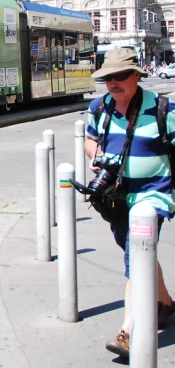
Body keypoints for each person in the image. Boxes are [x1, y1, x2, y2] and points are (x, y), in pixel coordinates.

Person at [85, 48, 175, 358]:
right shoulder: (99, 107)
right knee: (134, 249)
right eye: (108, 77)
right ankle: (163, 303)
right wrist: (95, 158)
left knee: (134, 257)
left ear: (137, 74)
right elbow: (91, 139)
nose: (113, 82)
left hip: (153, 194)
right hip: (116, 194)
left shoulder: (164, 108)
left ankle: (129, 330)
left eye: (121, 76)